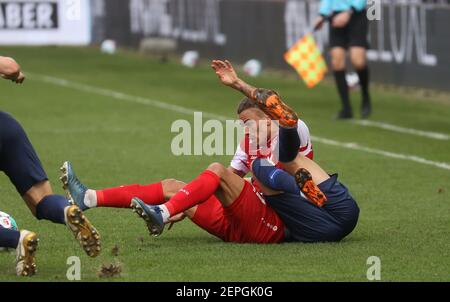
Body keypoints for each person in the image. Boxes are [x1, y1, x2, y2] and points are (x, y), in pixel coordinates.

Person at [0, 56, 101, 276]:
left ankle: (18, 239)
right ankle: (67, 211)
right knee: (41, 201)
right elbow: (11, 66)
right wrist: (16, 74)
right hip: (6, 129)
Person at [314, 0, 372, 119]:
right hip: (336, 17)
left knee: (358, 61)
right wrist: (322, 15)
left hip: (356, 15)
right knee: (337, 62)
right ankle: (346, 109)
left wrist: (348, 12)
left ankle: (365, 96)